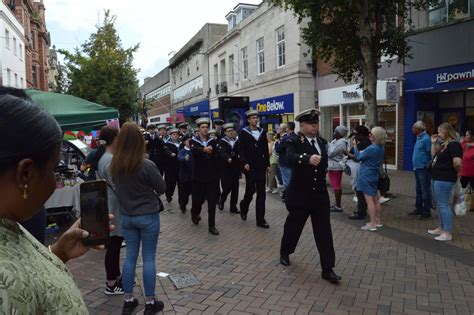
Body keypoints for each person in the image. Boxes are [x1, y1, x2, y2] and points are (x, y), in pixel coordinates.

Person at [0, 94, 115, 313]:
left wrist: (58, 251)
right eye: (53, 170)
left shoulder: (11, 222)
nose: (56, 180)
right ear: (26, 173)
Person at [279, 109, 341, 284]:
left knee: (324, 233)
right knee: (294, 227)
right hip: (300, 194)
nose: (315, 126)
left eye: (316, 123)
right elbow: (290, 158)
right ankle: (285, 252)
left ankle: (328, 269)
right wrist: (306, 158)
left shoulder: (322, 142)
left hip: (319, 195)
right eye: (311, 124)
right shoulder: (293, 141)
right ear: (302, 125)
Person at [110, 123, 166, 314]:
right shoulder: (146, 164)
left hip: (127, 216)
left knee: (130, 258)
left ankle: (128, 299)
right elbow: (162, 188)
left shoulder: (115, 166)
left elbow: (116, 190)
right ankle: (150, 302)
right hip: (148, 216)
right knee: (149, 258)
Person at [90, 125, 124, 295]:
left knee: (114, 243)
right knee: (114, 244)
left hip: (110, 205)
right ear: (115, 139)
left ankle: (116, 277)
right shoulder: (109, 159)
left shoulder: (105, 157)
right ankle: (111, 283)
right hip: (113, 207)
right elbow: (118, 184)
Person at [428, 123, 462, 242]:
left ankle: (447, 232)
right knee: (439, 204)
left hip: (445, 178)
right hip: (437, 176)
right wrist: (433, 143)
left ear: (447, 132)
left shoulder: (454, 144)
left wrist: (457, 172)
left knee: (443, 204)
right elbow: (433, 156)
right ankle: (441, 227)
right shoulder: (444, 145)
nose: (439, 134)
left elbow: (457, 162)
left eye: (440, 132)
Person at [238, 109, 271, 228]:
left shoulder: (262, 131)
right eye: (253, 118)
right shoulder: (243, 132)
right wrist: (244, 162)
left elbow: (265, 149)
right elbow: (241, 150)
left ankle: (260, 220)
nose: (255, 120)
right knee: (251, 190)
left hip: (261, 166)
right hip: (250, 166)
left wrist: (267, 164)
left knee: (261, 193)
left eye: (256, 118)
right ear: (248, 120)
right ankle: (244, 206)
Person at [189, 117, 221, 235]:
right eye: (202, 127)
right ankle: (194, 212)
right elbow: (194, 151)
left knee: (212, 202)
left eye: (206, 127)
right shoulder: (193, 141)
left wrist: (214, 150)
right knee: (199, 200)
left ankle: (211, 226)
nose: (205, 129)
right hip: (198, 177)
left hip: (211, 177)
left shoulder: (212, 141)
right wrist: (204, 149)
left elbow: (217, 153)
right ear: (198, 129)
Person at [353, 127, 386, 231]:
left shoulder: (371, 148)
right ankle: (378, 221)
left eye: (371, 134)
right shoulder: (381, 148)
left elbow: (358, 157)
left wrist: (355, 147)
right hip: (374, 175)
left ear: (376, 136)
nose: (369, 135)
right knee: (376, 199)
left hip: (366, 175)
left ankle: (372, 223)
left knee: (369, 200)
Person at [345, 126, 371, 220]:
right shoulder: (366, 142)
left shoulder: (364, 143)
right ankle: (362, 209)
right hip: (364, 170)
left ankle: (361, 212)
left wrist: (348, 151)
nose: (355, 137)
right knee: (361, 191)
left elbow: (357, 157)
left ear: (361, 134)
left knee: (360, 191)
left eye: (356, 135)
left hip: (363, 170)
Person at [409, 121, 433, 219]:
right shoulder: (419, 137)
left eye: (413, 127)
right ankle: (418, 208)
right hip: (417, 167)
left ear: (418, 129)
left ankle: (426, 211)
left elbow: (430, 152)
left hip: (423, 168)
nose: (412, 129)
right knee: (418, 189)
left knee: (424, 190)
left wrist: (427, 164)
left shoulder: (426, 138)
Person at [218, 123, 241, 213]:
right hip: (225, 168)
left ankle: (233, 207)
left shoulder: (237, 141)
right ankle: (222, 200)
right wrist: (227, 158)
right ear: (225, 132)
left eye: (232, 130)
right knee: (227, 187)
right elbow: (221, 152)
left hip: (235, 168)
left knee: (235, 189)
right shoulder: (222, 141)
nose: (231, 132)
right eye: (229, 131)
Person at [327, 126, 349, 212]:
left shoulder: (342, 143)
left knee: (336, 187)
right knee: (335, 186)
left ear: (340, 134)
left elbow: (330, 153)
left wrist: (328, 148)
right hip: (332, 166)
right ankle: (337, 204)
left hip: (336, 167)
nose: (333, 133)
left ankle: (338, 206)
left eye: (335, 132)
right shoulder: (336, 141)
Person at [275, 121, 297, 201]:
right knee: (292, 179)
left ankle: (289, 197)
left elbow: (278, 149)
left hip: (285, 162)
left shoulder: (286, 138)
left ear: (287, 128)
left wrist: (277, 142)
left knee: (287, 181)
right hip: (293, 162)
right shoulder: (296, 137)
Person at [164, 128, 182, 203]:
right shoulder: (167, 143)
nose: (175, 136)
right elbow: (165, 150)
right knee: (170, 183)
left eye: (176, 134)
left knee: (181, 184)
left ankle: (181, 200)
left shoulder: (181, 143)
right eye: (173, 134)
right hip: (170, 167)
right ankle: (169, 195)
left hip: (180, 166)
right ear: (171, 135)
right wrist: (170, 153)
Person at [178, 135, 193, 213]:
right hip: (185, 177)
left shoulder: (194, 150)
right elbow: (180, 157)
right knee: (185, 194)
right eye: (188, 140)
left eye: (190, 140)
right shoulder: (182, 151)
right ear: (184, 142)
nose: (189, 142)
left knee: (196, 195)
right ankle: (183, 205)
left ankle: (194, 211)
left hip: (194, 176)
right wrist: (184, 158)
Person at [460, 129, 474, 211]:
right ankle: (462, 204)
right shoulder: (463, 143)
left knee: (473, 189)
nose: (466, 136)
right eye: (465, 135)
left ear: (472, 136)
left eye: (468, 135)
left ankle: (472, 205)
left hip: (473, 172)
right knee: (462, 188)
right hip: (464, 171)